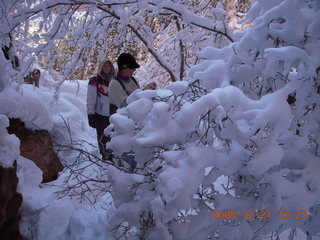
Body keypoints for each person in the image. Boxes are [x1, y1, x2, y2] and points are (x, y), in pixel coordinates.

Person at [108, 53, 156, 171]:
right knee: (126, 159)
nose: (134, 70)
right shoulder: (114, 84)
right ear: (124, 68)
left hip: (135, 124)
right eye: (132, 68)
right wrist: (144, 91)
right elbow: (124, 105)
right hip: (122, 128)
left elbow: (137, 97)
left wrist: (147, 92)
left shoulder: (132, 80)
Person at [86, 60, 115, 161]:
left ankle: (113, 156)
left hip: (114, 114)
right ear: (101, 67)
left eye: (109, 66)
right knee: (102, 137)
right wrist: (90, 113)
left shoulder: (115, 80)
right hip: (100, 114)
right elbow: (91, 98)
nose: (107, 68)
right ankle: (105, 157)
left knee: (113, 137)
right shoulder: (95, 80)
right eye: (105, 66)